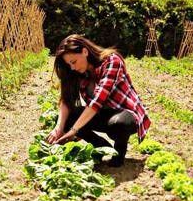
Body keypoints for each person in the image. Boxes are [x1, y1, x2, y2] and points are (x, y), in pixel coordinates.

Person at [46, 34, 152, 167]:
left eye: (73, 62)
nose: (72, 67)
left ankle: (119, 154)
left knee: (118, 124)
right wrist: (59, 128)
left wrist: (74, 131)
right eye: (69, 64)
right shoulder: (77, 72)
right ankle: (101, 146)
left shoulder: (112, 61)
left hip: (126, 113)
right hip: (102, 113)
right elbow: (66, 99)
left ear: (84, 51)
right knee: (66, 118)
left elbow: (97, 102)